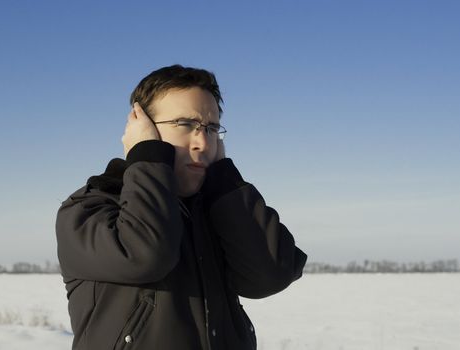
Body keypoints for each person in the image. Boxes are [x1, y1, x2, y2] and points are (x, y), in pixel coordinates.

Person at [56, 64, 307, 350]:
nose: (202, 142)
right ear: (142, 127)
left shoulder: (217, 211)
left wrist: (224, 178)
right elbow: (145, 256)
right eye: (185, 124)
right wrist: (148, 155)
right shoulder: (88, 209)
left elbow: (272, 274)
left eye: (211, 129)